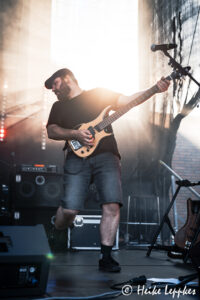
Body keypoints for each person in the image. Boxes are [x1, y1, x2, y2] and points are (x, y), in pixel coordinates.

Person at [45, 68, 170, 272]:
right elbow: (51, 130)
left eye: (55, 83)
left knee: (112, 205)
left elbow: (129, 99)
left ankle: (106, 257)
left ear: (67, 78)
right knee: (69, 210)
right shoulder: (58, 106)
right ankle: (56, 230)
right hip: (76, 158)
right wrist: (75, 133)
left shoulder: (98, 94)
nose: (53, 89)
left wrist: (155, 89)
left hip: (107, 155)